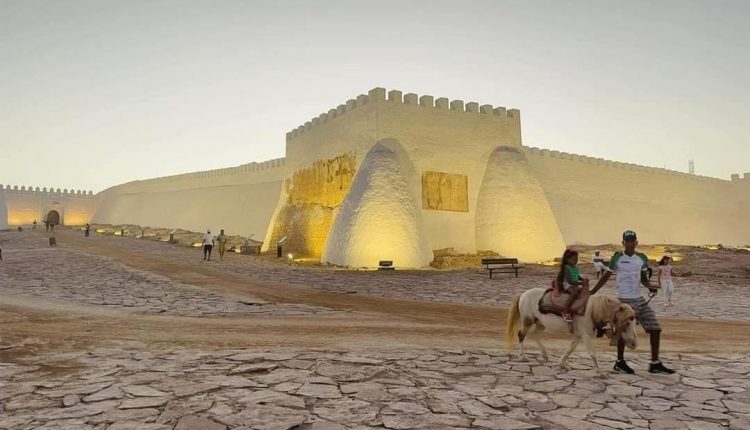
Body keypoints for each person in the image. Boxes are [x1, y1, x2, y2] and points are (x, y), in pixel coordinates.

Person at [591, 230, 675, 374]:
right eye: (627, 241)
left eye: (632, 241)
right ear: (623, 242)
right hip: (624, 299)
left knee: (655, 329)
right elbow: (606, 276)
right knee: (622, 330)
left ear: (636, 242)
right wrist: (593, 291)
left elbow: (643, 278)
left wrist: (650, 286)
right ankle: (619, 362)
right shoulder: (617, 257)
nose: (630, 243)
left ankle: (655, 363)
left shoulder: (641, 258)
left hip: (639, 299)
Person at [557, 249, 589, 322]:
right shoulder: (566, 268)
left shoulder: (576, 267)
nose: (576, 261)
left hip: (575, 284)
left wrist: (583, 279)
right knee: (574, 293)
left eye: (577, 259)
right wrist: (581, 283)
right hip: (568, 285)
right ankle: (565, 309)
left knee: (583, 292)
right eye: (574, 259)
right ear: (568, 260)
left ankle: (579, 308)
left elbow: (577, 276)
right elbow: (570, 281)